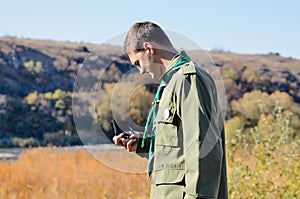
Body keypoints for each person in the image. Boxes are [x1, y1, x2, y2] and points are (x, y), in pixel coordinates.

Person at [113, 21, 228, 199]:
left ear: (149, 48)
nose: (141, 71)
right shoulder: (172, 83)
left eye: (137, 63)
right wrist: (145, 144)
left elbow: (203, 147)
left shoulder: (187, 79)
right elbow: (178, 148)